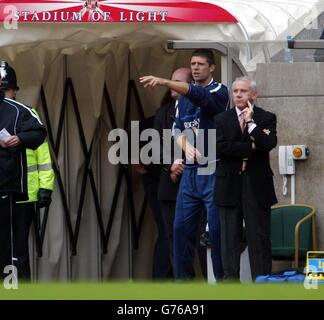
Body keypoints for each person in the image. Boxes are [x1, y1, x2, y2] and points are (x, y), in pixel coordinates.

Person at [140, 49, 229, 280]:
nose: (196, 67)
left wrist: (163, 81)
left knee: (216, 232)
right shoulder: (182, 101)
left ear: (212, 68)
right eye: (193, 63)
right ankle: (184, 285)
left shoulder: (219, 90)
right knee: (179, 231)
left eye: (200, 64)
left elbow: (199, 95)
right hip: (190, 173)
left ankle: (222, 283)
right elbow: (177, 128)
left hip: (212, 168)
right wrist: (185, 146)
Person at [214, 76, 277, 281]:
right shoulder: (221, 119)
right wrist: (249, 148)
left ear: (254, 94)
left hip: (256, 186)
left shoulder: (266, 117)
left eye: (243, 91)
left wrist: (250, 123)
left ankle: (262, 286)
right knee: (229, 242)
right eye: (235, 91)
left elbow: (267, 144)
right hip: (228, 185)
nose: (238, 95)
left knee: (259, 240)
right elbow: (218, 148)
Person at [2, 62, 55, 280]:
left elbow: (43, 154)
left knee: (18, 252)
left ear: (14, 90)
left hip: (25, 193)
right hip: (7, 190)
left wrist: (46, 187)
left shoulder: (25, 114)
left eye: (7, 89)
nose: (6, 94)